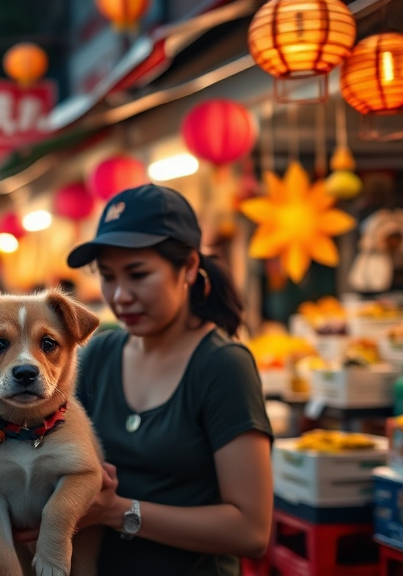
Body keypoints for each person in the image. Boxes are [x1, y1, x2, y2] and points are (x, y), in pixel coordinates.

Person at [21, 184, 273, 575]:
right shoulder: (100, 354)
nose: (120, 296)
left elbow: (251, 530)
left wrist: (118, 511)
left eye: (138, 274)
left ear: (188, 267)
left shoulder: (222, 367)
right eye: (107, 276)